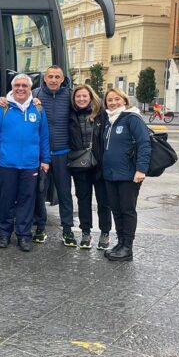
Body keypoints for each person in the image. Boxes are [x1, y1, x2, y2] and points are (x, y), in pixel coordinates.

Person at [0, 74, 50, 252]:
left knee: (27, 201)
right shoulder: (3, 107)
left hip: (30, 165)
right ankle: (4, 233)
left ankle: (24, 235)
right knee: (6, 200)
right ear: (12, 88)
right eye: (17, 85)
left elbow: (44, 136)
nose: (21, 89)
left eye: (24, 86)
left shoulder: (38, 109)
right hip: (6, 163)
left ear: (30, 88)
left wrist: (45, 160)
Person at [101, 88, 150, 262]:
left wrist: (141, 169)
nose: (113, 103)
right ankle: (120, 243)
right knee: (116, 209)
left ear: (124, 100)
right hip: (111, 174)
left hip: (129, 174)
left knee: (127, 210)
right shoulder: (109, 120)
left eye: (117, 99)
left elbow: (144, 143)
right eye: (109, 100)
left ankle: (127, 247)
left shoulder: (132, 118)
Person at [31, 65, 75, 246]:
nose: (54, 80)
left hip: (62, 153)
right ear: (45, 78)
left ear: (63, 79)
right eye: (50, 77)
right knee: (39, 192)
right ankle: (40, 228)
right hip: (41, 155)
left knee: (65, 194)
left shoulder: (70, 96)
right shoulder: (35, 95)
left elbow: (89, 105)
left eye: (58, 77)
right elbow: (13, 100)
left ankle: (67, 230)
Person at [69, 84, 111, 250]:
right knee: (83, 199)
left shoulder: (102, 114)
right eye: (78, 96)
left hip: (100, 164)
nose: (81, 99)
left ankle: (105, 233)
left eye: (84, 96)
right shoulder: (70, 115)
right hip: (80, 164)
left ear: (91, 97)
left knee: (103, 201)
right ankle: (86, 232)